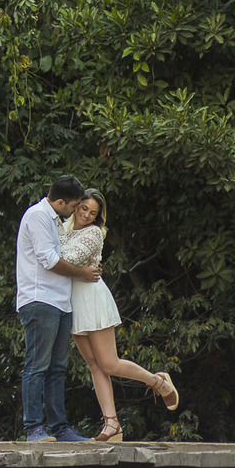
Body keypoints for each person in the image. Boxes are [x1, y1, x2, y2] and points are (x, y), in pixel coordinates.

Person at [61, 189, 179, 442]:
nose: (86, 215)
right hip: (73, 302)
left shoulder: (93, 233)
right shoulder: (63, 228)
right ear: (76, 205)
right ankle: (112, 424)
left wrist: (54, 260)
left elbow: (64, 259)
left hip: (92, 298)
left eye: (93, 213)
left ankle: (158, 382)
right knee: (94, 365)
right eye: (84, 208)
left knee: (109, 363)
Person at [16, 175, 102, 443]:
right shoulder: (38, 216)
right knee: (37, 365)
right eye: (75, 205)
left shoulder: (55, 221)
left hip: (61, 302)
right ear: (62, 201)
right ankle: (34, 429)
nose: (76, 211)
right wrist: (83, 273)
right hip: (40, 299)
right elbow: (50, 260)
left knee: (56, 368)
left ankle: (60, 429)